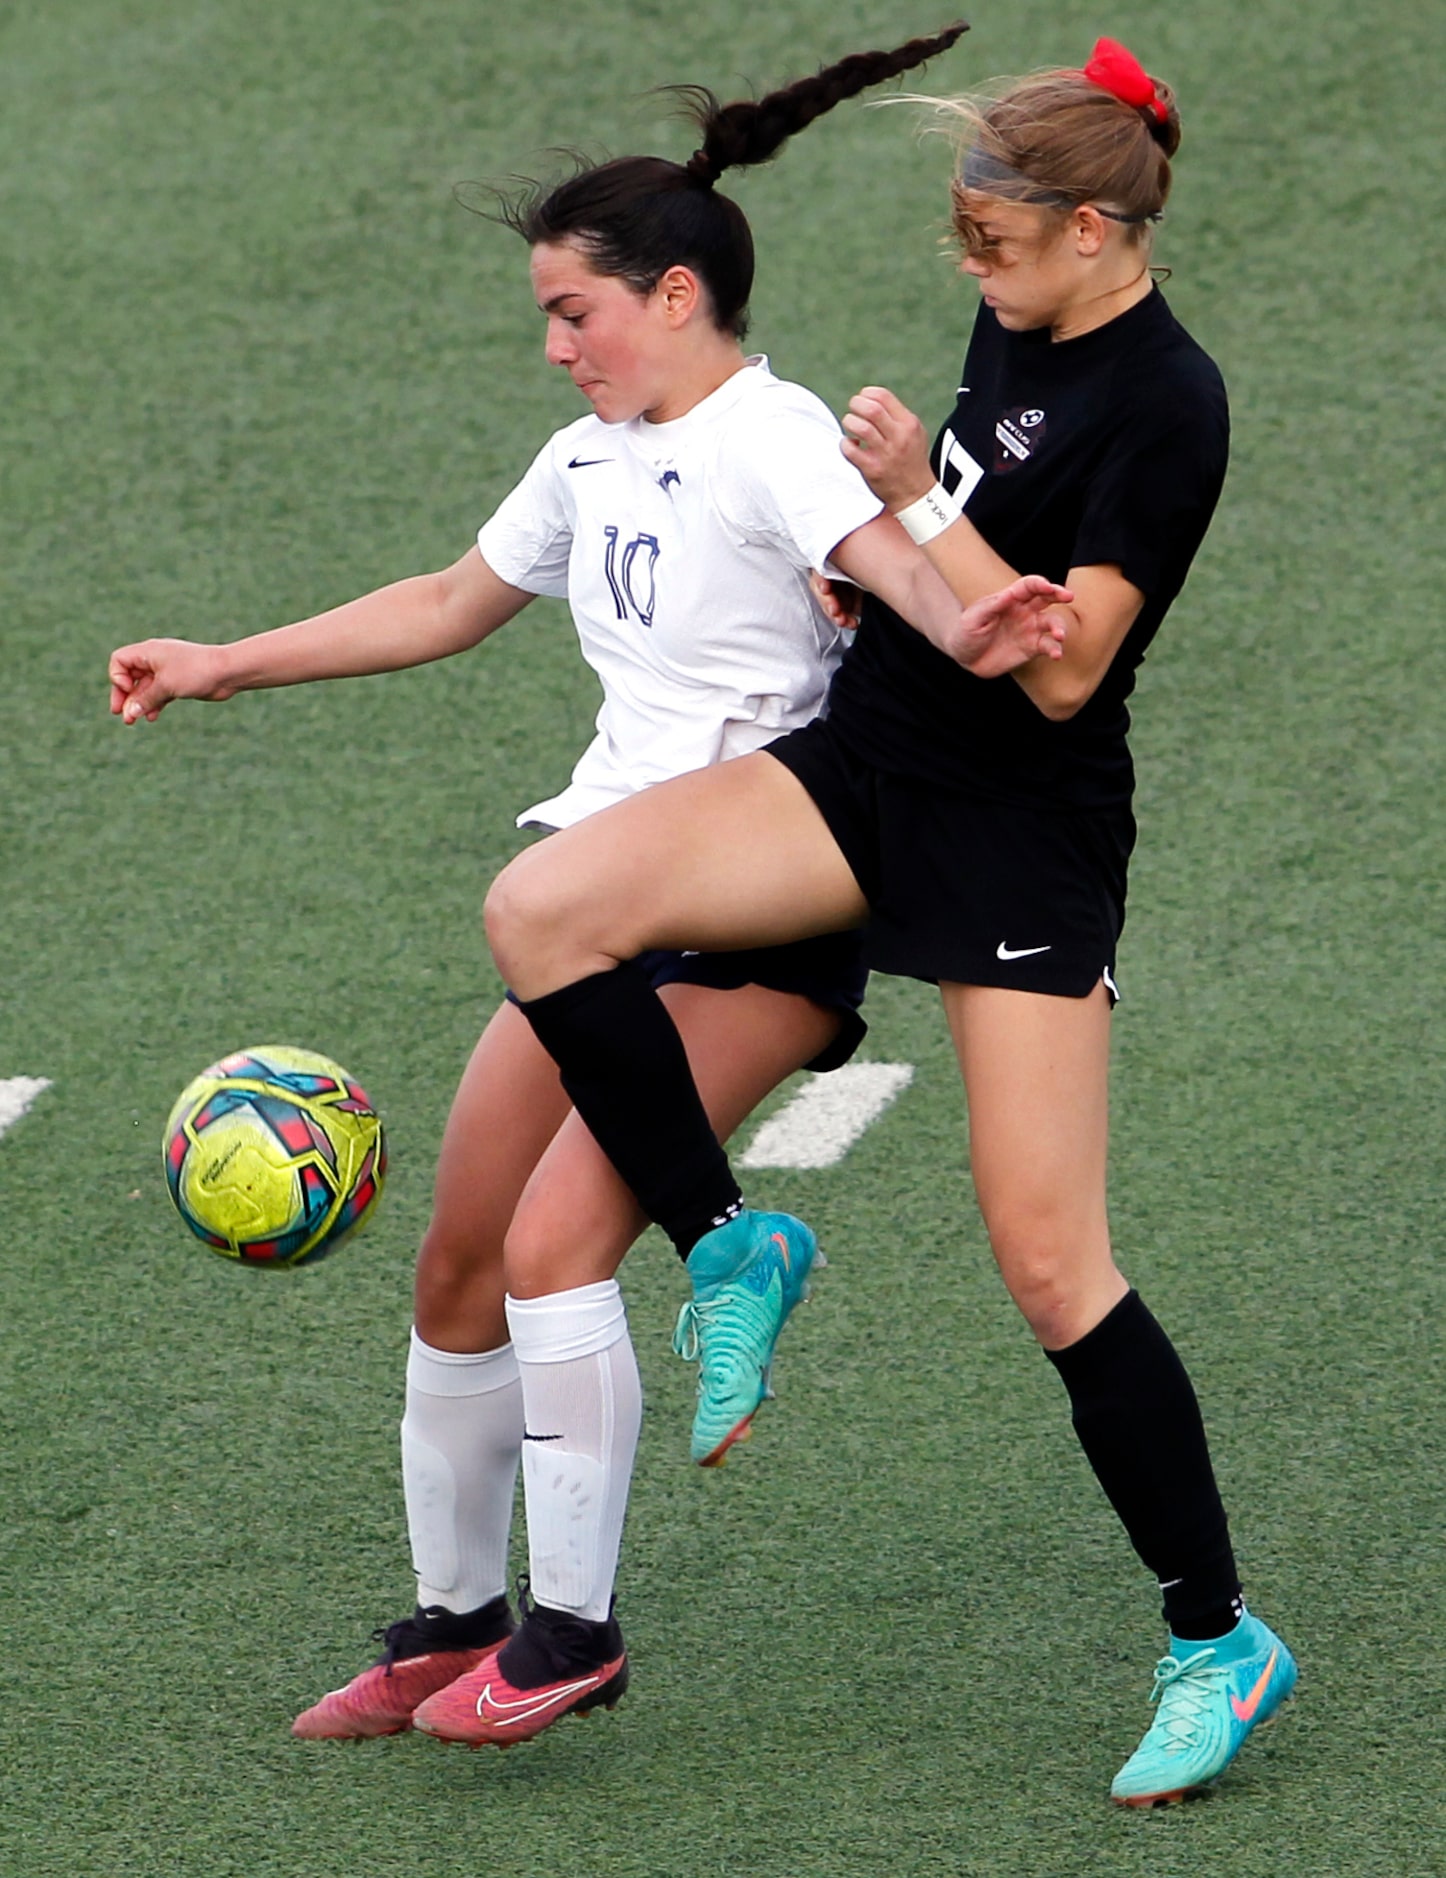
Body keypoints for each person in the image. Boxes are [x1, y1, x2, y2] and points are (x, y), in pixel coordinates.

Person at [108, 22, 1067, 1750]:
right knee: (461, 1259)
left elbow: (892, 566)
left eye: (578, 310)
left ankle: (571, 1631)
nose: (556, 344)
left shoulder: (771, 437)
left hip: (747, 917)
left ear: (679, 294)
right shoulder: (586, 461)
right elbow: (443, 601)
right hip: (596, 905)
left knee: (559, 1250)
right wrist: (224, 661)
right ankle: (449, 1620)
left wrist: (966, 621)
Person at [482, 37, 1297, 1804]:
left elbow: (1068, 667)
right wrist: (888, 570)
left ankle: (1214, 1634)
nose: (969, 264)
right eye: (960, 229)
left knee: (1049, 1264)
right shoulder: (1023, 319)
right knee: (543, 904)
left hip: (1020, 837)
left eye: (995, 239)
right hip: (870, 766)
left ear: (1096, 231)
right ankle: (730, 1246)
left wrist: (909, 501)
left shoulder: (1173, 402)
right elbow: (960, 586)